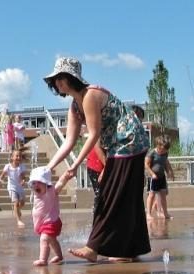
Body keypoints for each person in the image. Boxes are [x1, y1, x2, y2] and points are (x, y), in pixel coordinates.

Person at [44, 57, 150, 263]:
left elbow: (93, 135)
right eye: (55, 80)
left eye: (60, 78)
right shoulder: (75, 107)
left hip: (129, 141)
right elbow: (68, 142)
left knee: (110, 195)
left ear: (72, 78)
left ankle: (94, 247)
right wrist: (48, 167)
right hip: (119, 146)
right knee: (125, 196)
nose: (57, 83)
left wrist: (74, 167)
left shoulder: (90, 95)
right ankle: (129, 249)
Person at [29, 167, 68, 266]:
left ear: (46, 184)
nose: (36, 185)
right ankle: (59, 256)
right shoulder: (35, 194)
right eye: (34, 183)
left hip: (51, 222)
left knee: (44, 238)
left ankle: (43, 259)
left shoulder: (51, 192)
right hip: (44, 222)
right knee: (52, 240)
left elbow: (60, 184)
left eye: (39, 182)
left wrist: (65, 177)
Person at [145, 136, 174, 219]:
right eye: (163, 149)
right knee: (151, 195)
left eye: (166, 150)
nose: (164, 151)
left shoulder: (165, 153)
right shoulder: (152, 153)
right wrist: (152, 174)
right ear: (158, 146)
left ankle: (165, 214)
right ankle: (148, 214)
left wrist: (169, 172)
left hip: (161, 177)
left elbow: (166, 163)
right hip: (153, 178)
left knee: (163, 195)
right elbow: (146, 165)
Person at [0, 150, 27, 227]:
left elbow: (23, 176)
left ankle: (18, 210)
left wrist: (23, 180)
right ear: (12, 157)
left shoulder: (22, 166)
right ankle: (18, 220)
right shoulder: (8, 166)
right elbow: (2, 176)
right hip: (11, 187)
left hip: (19, 187)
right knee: (16, 203)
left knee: (22, 203)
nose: (18, 157)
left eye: (19, 156)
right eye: (16, 156)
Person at [86, 142, 106, 213]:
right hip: (96, 166)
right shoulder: (100, 131)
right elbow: (97, 146)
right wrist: (106, 167)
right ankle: (98, 219)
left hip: (100, 165)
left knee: (102, 195)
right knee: (101, 195)